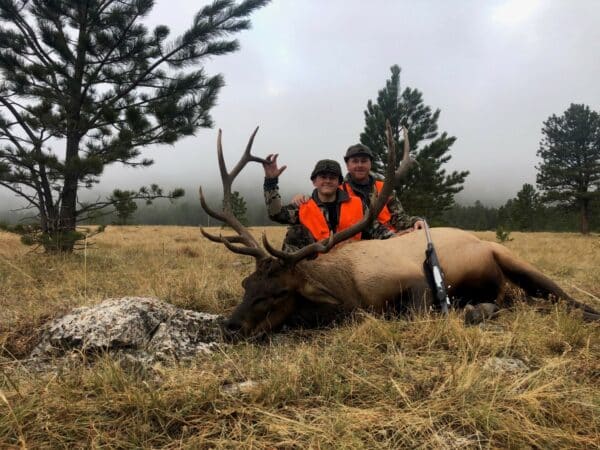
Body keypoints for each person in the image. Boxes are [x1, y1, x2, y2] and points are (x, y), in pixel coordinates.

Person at [263, 154, 394, 251]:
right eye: (323, 177)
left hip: (351, 265)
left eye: (332, 177)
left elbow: (377, 229)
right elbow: (276, 214)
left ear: (339, 182)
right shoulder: (303, 206)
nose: (328, 181)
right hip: (314, 268)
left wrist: (399, 241)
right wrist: (271, 183)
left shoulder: (357, 204)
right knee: (296, 232)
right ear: (314, 181)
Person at [292, 144, 424, 239]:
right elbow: (318, 203)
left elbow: (398, 217)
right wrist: (302, 197)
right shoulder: (338, 191)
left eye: (364, 161)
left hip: (390, 240)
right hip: (355, 247)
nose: (359, 165)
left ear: (370, 164)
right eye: (355, 161)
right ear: (348, 165)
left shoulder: (384, 188)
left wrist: (415, 221)